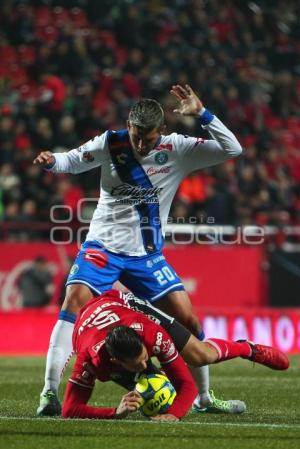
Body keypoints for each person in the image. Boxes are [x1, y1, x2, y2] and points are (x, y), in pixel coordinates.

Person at [34, 84, 244, 416]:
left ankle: (204, 397)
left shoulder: (179, 149)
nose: (140, 144)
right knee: (72, 302)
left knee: (187, 317)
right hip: (102, 246)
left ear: (162, 130)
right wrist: (51, 161)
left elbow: (232, 149)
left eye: (147, 138)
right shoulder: (112, 142)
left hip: (146, 255)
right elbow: (73, 160)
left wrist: (204, 114)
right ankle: (48, 394)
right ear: (128, 128)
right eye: (135, 136)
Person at [61, 289, 289, 421]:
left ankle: (248, 348)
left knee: (201, 356)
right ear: (115, 362)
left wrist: (174, 415)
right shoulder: (88, 360)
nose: (145, 363)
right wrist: (115, 412)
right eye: (137, 363)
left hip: (122, 305)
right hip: (89, 325)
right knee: (153, 384)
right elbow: (70, 409)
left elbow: (186, 383)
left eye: (145, 356)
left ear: (142, 343)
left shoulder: (150, 333)